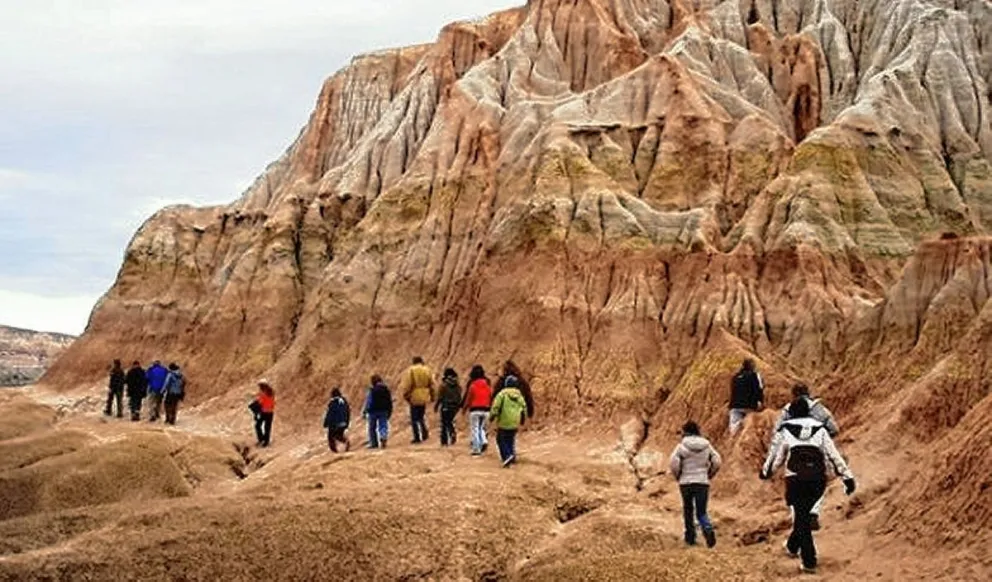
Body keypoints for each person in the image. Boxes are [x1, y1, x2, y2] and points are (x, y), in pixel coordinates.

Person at [760, 398, 856, 575]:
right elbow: (833, 455)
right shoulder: (820, 429)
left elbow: (777, 456)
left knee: (801, 518)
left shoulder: (785, 429)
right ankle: (791, 546)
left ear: (792, 412)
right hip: (817, 480)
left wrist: (766, 471)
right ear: (808, 411)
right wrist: (847, 477)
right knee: (804, 516)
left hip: (795, 479)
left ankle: (809, 560)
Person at [775, 383, 840, 531]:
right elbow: (834, 429)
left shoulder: (788, 409)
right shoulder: (820, 409)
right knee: (820, 481)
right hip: (817, 452)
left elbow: (778, 430)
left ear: (793, 394)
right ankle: (814, 511)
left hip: (795, 452)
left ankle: (798, 520)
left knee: (794, 484)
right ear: (808, 393)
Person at [669, 421, 722, 548]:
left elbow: (673, 463)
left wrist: (678, 476)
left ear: (685, 432)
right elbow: (717, 461)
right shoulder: (707, 445)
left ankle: (690, 537)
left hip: (686, 482)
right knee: (701, 511)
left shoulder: (681, 446)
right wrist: (709, 474)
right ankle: (707, 528)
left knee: (688, 509)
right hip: (702, 482)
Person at [489, 375, 527, 467]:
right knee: (510, 439)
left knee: (500, 440)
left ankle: (507, 456)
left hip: (504, 421)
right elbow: (524, 408)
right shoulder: (519, 396)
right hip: (514, 422)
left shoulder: (502, 394)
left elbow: (495, 407)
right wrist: (522, 419)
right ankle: (512, 456)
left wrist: (492, 416)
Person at [401, 356, 435, 444]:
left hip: (414, 395)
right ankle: (424, 433)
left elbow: (408, 384)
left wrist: (405, 394)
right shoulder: (427, 370)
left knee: (414, 418)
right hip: (424, 395)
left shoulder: (411, 370)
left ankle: (417, 437)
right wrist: (432, 396)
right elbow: (432, 384)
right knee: (421, 416)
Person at [728, 358, 764, 435]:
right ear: (752, 366)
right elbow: (759, 389)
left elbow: (733, 390)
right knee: (750, 430)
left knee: (734, 431)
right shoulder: (755, 375)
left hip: (734, 406)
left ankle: (733, 444)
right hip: (749, 405)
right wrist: (760, 401)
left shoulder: (735, 376)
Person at [462, 365, 492, 455]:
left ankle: (476, 449)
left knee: (475, 429)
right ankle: (484, 441)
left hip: (475, 410)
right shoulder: (487, 385)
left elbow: (468, 399)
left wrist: (464, 408)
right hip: (486, 409)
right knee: (482, 428)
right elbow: (491, 396)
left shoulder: (472, 385)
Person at [435, 368, 462, 446]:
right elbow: (459, 396)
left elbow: (440, 397)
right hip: (455, 407)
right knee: (450, 421)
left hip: (446, 406)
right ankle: (452, 432)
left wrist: (436, 406)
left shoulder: (443, 385)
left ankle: (444, 441)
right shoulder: (458, 385)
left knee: (444, 423)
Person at [366, 375, 393, 449]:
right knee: (383, 425)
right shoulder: (386, 390)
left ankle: (374, 443)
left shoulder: (372, 390)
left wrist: (366, 410)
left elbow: (369, 401)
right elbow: (389, 401)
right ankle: (383, 436)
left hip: (373, 411)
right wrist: (390, 410)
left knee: (372, 428)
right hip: (384, 410)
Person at [323, 387, 351, 453]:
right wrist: (347, 422)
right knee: (339, 434)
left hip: (335, 424)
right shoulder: (344, 401)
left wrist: (326, 423)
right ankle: (345, 441)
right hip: (344, 422)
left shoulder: (332, 403)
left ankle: (335, 451)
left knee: (331, 436)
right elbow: (348, 411)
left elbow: (330, 414)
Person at [252, 380, 276, 447]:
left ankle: (261, 439)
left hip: (264, 412)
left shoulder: (263, 393)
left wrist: (255, 403)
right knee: (267, 428)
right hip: (270, 412)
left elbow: (260, 402)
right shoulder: (271, 392)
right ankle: (266, 442)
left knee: (257, 425)